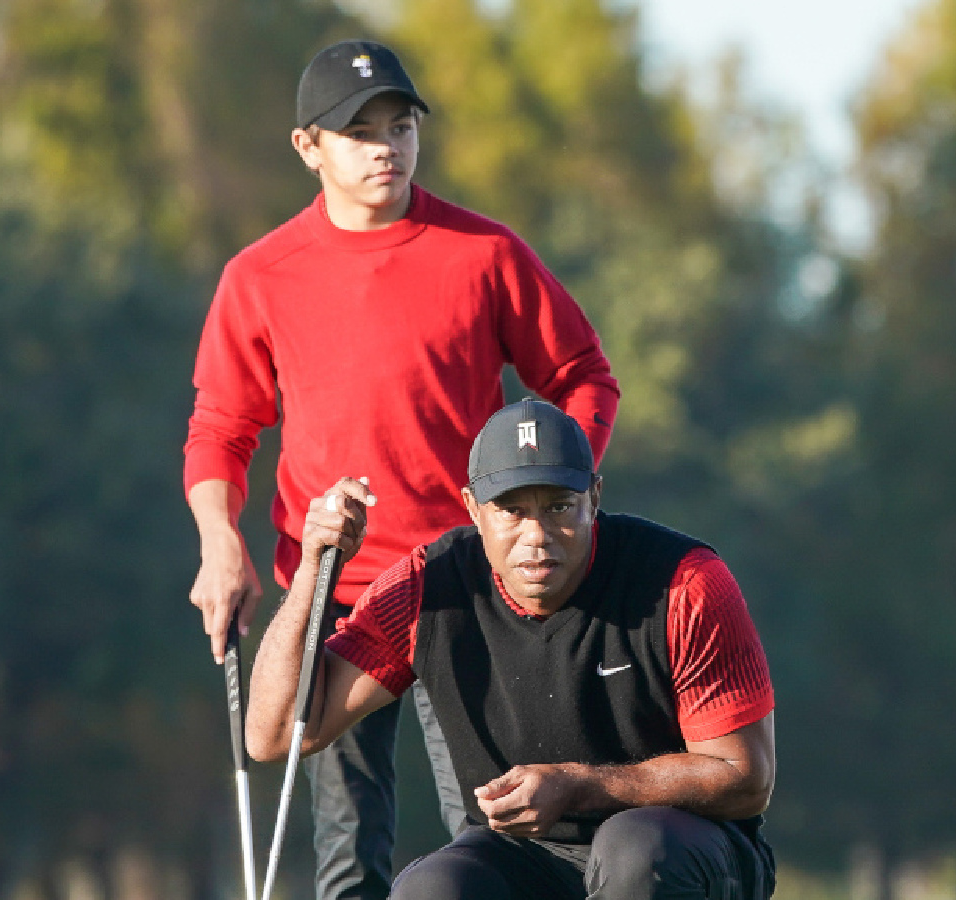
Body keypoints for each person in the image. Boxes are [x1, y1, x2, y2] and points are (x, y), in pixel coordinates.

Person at [183, 39, 621, 900]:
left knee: (497, 832)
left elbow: (581, 378)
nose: (385, 147)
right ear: (309, 146)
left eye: (400, 125)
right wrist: (217, 544)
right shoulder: (259, 277)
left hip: (467, 587)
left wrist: (547, 504)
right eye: (358, 133)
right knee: (348, 853)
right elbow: (220, 429)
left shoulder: (485, 254)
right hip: (339, 596)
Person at [246, 400, 777, 900]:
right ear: (473, 509)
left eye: (558, 506)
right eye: (512, 509)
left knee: (636, 853)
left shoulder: (684, 582)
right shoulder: (427, 587)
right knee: (429, 890)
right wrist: (313, 570)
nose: (537, 534)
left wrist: (581, 786)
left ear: (594, 497)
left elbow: (744, 778)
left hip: (685, 846)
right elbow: (274, 734)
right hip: (526, 855)